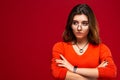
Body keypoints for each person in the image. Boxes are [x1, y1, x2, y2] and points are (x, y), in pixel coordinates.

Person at [51, 4, 117, 80]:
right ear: (70, 25)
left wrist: (73, 69)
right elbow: (57, 73)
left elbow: (111, 72)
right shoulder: (60, 47)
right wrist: (93, 76)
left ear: (91, 25)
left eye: (84, 23)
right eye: (75, 23)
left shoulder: (102, 49)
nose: (79, 28)